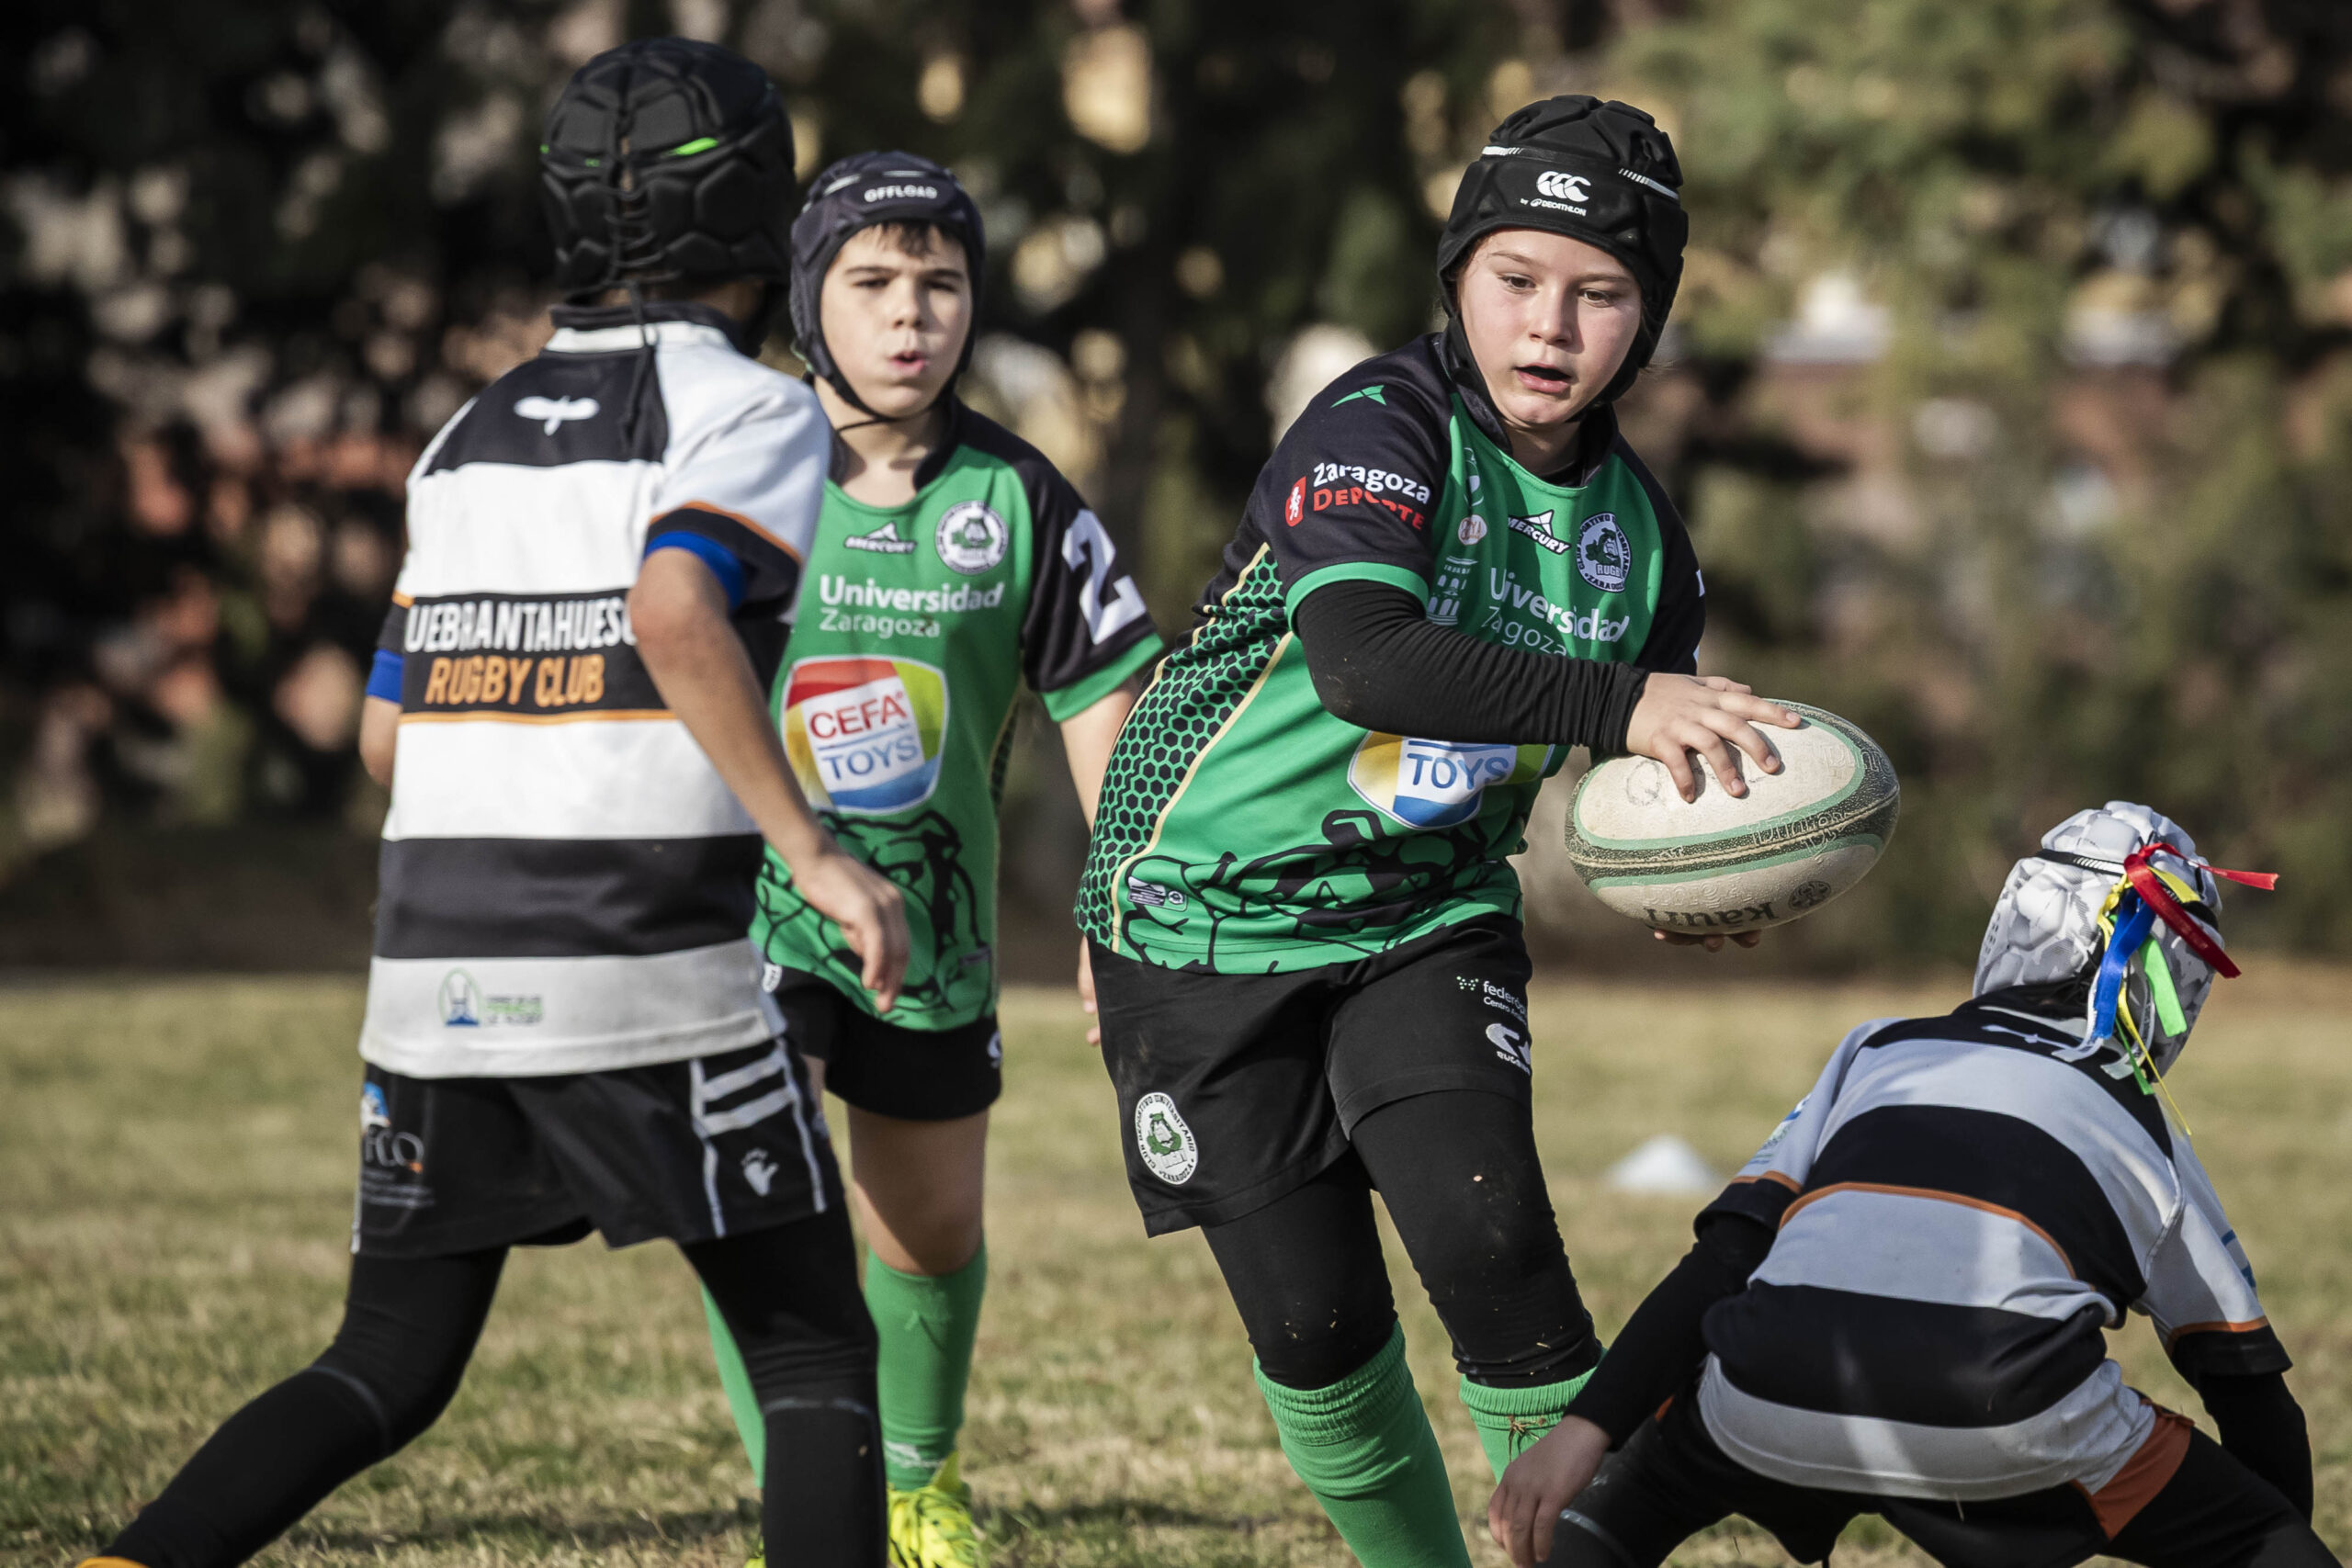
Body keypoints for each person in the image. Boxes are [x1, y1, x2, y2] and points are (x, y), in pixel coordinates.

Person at [75, 39, 906, 1568]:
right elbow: (675, 609)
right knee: (809, 1360)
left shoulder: (466, 438)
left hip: (433, 979)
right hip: (639, 961)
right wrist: (816, 853)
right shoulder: (755, 414)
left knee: (383, 1363)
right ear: (762, 219)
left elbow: (390, 734)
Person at [1075, 96, 1799, 1568]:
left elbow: (1601, 777)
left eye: (1601, 294)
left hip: (1425, 911)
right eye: (1515, 278)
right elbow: (1366, 661)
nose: (1552, 324)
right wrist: (1623, 702)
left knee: (1499, 1248)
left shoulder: (1647, 544)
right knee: (1316, 1324)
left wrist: (1684, 866)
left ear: (1645, 321)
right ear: (1457, 278)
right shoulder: (1375, 422)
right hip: (1196, 910)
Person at [699, 152, 1161, 1568]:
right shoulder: (738, 474)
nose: (912, 316)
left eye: (942, 284)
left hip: (936, 920)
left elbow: (1108, 705)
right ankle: (815, 1486)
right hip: (748, 915)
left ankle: (918, 1477)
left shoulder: (1021, 499)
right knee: (769, 1202)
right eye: (874, 282)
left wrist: (1117, 896)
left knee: (931, 1224)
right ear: (808, 303)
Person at [1487, 802, 2329, 1568]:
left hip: (1768, 1386)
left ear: (2015, 916)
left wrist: (1584, 1430)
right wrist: (2273, 1531)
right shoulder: (2147, 1126)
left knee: (1610, 1517)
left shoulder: (1878, 1047)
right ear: (2176, 974)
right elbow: (2248, 1390)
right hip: (2008, 1417)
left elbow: (1724, 1257)